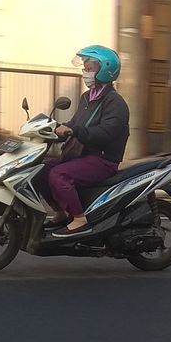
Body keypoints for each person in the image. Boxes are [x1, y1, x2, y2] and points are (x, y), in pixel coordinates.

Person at [43, 45, 131, 237]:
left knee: (59, 174)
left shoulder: (115, 103)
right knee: (42, 169)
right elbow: (75, 124)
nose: (85, 72)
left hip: (102, 160)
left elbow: (105, 134)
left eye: (90, 68)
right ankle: (60, 212)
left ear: (106, 70)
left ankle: (79, 219)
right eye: (85, 68)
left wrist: (75, 129)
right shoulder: (87, 98)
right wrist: (53, 129)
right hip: (82, 155)